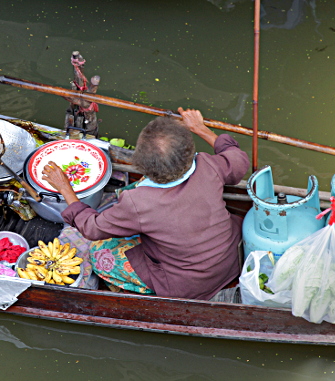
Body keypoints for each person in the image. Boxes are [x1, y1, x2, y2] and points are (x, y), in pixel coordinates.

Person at [41, 107, 250, 300]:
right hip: (231, 258)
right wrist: (200, 128)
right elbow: (239, 160)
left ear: (142, 164)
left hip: (188, 285)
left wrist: (65, 188)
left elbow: (91, 228)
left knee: (98, 254)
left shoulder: (137, 202)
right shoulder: (208, 164)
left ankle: (146, 289)